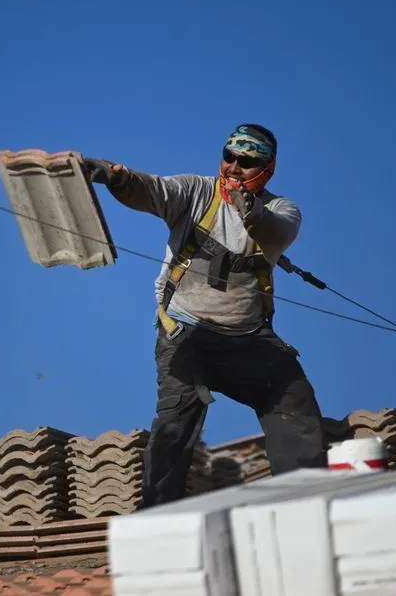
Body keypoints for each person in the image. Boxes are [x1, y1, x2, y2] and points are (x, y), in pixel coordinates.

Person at [84, 123, 326, 509]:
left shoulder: (283, 210)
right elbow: (152, 190)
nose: (234, 167)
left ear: (268, 169)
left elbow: (274, 231)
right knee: (174, 426)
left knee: (292, 399)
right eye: (230, 157)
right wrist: (117, 177)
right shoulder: (196, 191)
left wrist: (250, 211)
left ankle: (304, 503)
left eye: (247, 161)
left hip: (248, 340)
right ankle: (156, 517)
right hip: (186, 336)